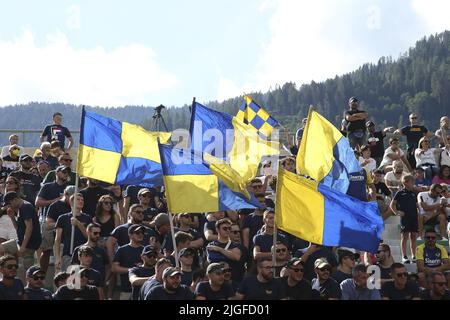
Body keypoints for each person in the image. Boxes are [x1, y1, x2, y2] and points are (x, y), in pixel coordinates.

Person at [1, 192, 42, 280]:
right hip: (21, 242)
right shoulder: (20, 208)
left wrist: (23, 246)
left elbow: (29, 227)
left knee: (27, 270)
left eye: (9, 204)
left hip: (29, 244)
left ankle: (26, 287)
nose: (9, 206)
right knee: (3, 248)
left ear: (15, 199)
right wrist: (12, 217)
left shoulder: (25, 207)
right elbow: (18, 229)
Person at [39, 185, 75, 273]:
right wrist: (63, 223)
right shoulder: (56, 205)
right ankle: (43, 274)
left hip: (71, 238)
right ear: (66, 195)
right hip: (57, 236)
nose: (74, 200)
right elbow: (48, 225)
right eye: (72, 197)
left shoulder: (77, 206)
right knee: (59, 270)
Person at [54, 193, 91, 272]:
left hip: (83, 255)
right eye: (78, 199)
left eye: (82, 200)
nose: (81, 201)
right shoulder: (62, 218)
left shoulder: (87, 218)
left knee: (80, 281)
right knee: (69, 281)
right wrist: (57, 258)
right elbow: (57, 239)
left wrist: (78, 223)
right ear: (71, 202)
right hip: (67, 254)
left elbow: (89, 237)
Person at [390, 175, 419, 263]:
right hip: (405, 218)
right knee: (405, 236)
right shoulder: (400, 193)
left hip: (414, 217)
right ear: (405, 183)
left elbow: (416, 205)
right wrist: (397, 212)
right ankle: (404, 256)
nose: (413, 183)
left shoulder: (414, 193)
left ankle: (414, 256)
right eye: (412, 182)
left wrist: (419, 212)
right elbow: (392, 205)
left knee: (413, 236)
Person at [112, 224, 145, 300]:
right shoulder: (122, 250)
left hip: (143, 290)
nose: (140, 234)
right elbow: (114, 268)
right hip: (127, 291)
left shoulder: (145, 250)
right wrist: (131, 270)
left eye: (142, 232)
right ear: (130, 235)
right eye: (137, 233)